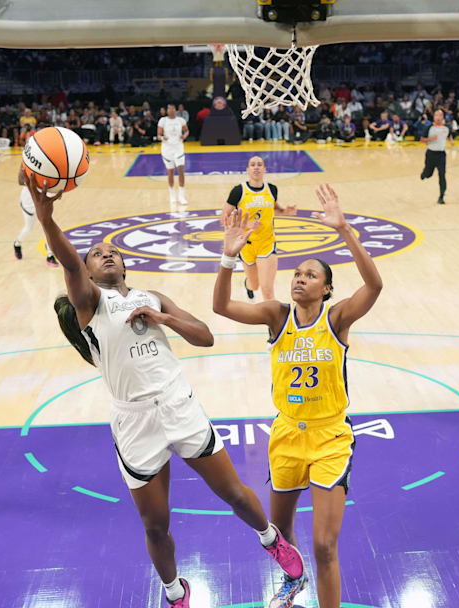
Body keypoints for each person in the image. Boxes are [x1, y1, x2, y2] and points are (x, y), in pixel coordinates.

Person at [25, 173, 304, 608]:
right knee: (155, 524)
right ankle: (176, 593)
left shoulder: (153, 296)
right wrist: (46, 219)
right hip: (134, 420)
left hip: (178, 404)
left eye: (113, 251)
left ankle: (271, 539)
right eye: (97, 255)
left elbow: (205, 336)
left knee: (233, 493)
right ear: (89, 271)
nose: (107, 255)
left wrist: (166, 320)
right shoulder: (89, 304)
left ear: (125, 265)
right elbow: (69, 263)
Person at [213, 184, 382, 608]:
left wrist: (344, 230)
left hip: (329, 438)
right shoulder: (276, 316)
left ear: (326, 289)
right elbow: (221, 307)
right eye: (296, 275)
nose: (300, 279)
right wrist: (229, 256)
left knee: (325, 545)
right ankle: (292, 582)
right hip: (287, 434)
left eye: (310, 275)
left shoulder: (337, 317)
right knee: (280, 532)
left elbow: (374, 286)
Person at [221, 156, 297, 301]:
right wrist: (246, 224)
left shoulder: (272, 189)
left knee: (267, 290)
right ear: (248, 170)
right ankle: (247, 284)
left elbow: (274, 209)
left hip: (267, 243)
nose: (256, 167)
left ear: (264, 169)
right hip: (246, 245)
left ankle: (273, 323)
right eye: (253, 165)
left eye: (259, 164)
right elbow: (224, 218)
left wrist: (285, 211)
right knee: (254, 285)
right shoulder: (239, 191)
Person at [14, 170, 57, 266]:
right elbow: (20, 181)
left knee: (48, 229)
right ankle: (17, 244)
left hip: (43, 199)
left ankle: (50, 256)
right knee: (29, 228)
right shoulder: (29, 163)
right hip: (29, 202)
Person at [158, 104, 189, 206]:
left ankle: (181, 196)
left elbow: (187, 131)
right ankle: (172, 195)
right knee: (170, 172)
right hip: (167, 149)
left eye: (173, 109)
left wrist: (184, 136)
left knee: (181, 171)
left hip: (178, 148)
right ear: (167, 111)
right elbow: (159, 135)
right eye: (169, 109)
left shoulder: (180, 120)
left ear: (175, 110)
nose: (171, 111)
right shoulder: (163, 120)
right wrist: (163, 138)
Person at [420, 109, 451, 204]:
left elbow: (449, 135)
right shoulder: (429, 127)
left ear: (442, 117)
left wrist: (451, 140)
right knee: (429, 174)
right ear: (434, 117)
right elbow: (421, 139)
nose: (438, 117)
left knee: (442, 175)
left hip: (441, 155)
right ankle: (424, 174)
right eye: (436, 115)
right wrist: (430, 139)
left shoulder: (446, 128)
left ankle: (441, 196)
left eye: (440, 115)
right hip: (430, 154)